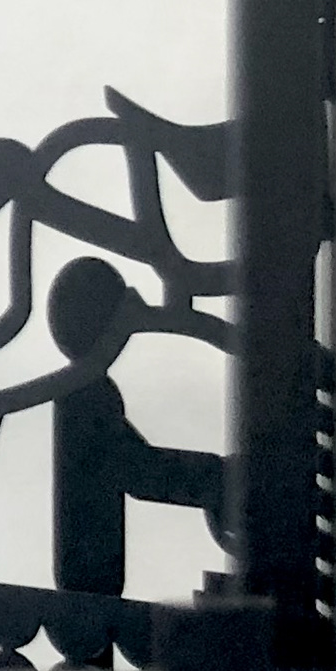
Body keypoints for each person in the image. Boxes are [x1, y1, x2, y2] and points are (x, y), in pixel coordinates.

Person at [43, 255, 226, 598]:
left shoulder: (80, 392)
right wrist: (216, 478)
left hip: (92, 578)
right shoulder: (89, 394)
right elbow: (138, 470)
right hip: (93, 578)